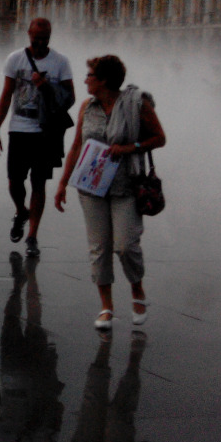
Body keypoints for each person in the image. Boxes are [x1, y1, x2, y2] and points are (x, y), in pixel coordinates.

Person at [55, 56, 166, 330]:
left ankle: (137, 289)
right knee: (99, 248)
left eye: (90, 75)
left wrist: (130, 147)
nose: (85, 80)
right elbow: (77, 146)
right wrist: (62, 183)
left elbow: (159, 138)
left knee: (125, 246)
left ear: (104, 80)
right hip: (90, 186)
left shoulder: (136, 104)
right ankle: (106, 307)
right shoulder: (87, 106)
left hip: (125, 186)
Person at [0, 18, 76, 257]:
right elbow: (6, 95)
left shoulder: (60, 62)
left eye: (45, 38)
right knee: (14, 181)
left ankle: (32, 236)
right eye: (36, 38)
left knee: (39, 183)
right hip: (18, 128)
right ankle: (21, 211)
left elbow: (70, 98)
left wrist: (46, 86)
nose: (40, 43)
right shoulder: (15, 59)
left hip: (46, 130)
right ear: (28, 34)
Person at [0, 252, 65, 442]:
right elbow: (58, 407)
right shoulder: (43, 441)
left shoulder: (11, 437)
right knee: (32, 321)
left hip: (16, 371)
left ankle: (20, 284)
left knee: (15, 319)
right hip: (31, 371)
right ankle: (29, 275)